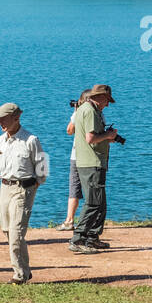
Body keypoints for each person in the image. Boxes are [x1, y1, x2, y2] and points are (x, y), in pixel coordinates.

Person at [0, 102, 48, 283]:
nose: (0, 123)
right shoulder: (0, 140)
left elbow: (42, 166)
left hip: (23, 189)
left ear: (16, 118)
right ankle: (25, 269)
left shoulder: (31, 140)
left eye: (4, 119)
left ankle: (20, 275)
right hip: (4, 188)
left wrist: (34, 185)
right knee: (7, 230)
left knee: (16, 233)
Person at [68, 83, 121, 254]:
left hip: (92, 162)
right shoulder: (90, 111)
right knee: (93, 202)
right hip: (91, 163)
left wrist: (107, 138)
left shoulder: (85, 109)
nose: (108, 104)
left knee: (100, 203)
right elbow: (90, 138)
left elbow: (89, 136)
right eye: (107, 100)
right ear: (99, 97)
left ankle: (92, 237)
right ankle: (78, 239)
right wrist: (109, 135)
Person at [57, 89, 91, 231]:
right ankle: (77, 220)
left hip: (79, 156)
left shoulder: (80, 114)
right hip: (87, 157)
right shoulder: (97, 115)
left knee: (75, 188)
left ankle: (70, 220)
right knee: (85, 190)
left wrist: (76, 114)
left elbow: (69, 130)